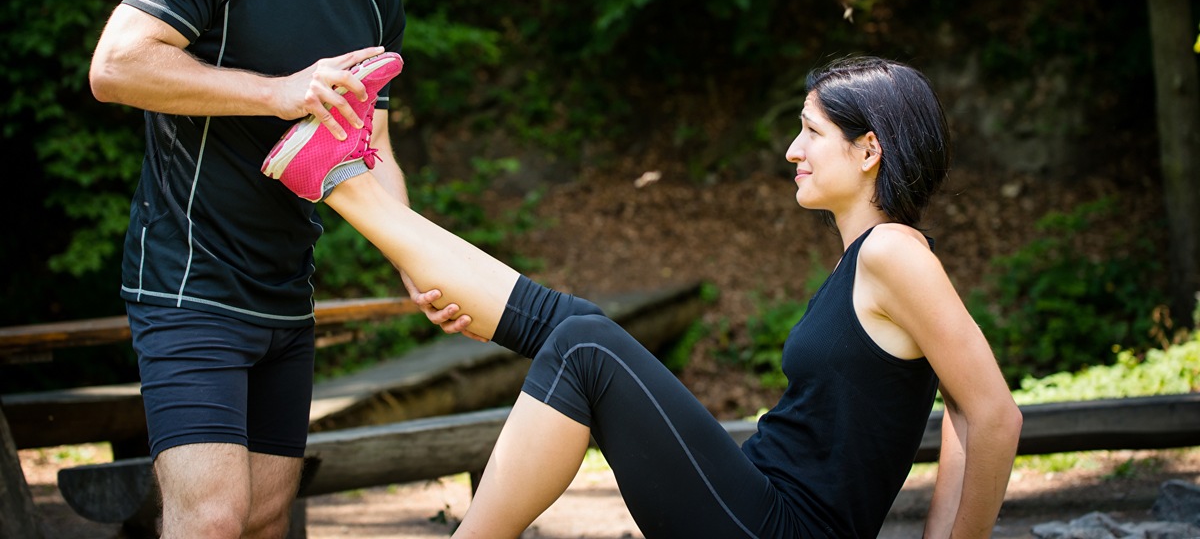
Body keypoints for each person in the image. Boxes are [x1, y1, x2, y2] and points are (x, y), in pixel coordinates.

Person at [262, 54, 1024, 539]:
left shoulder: (894, 252)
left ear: (868, 150)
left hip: (779, 525)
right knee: (579, 332)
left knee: (586, 343)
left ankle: (343, 183)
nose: (792, 149)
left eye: (810, 131)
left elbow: (992, 413)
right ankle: (342, 181)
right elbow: (962, 413)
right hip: (758, 498)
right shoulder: (867, 259)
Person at [87, 0, 467, 539]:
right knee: (212, 520)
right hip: (189, 283)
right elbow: (115, 66)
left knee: (264, 520)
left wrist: (416, 259)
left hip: (287, 296)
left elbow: (374, 151)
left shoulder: (377, 3)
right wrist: (277, 93)